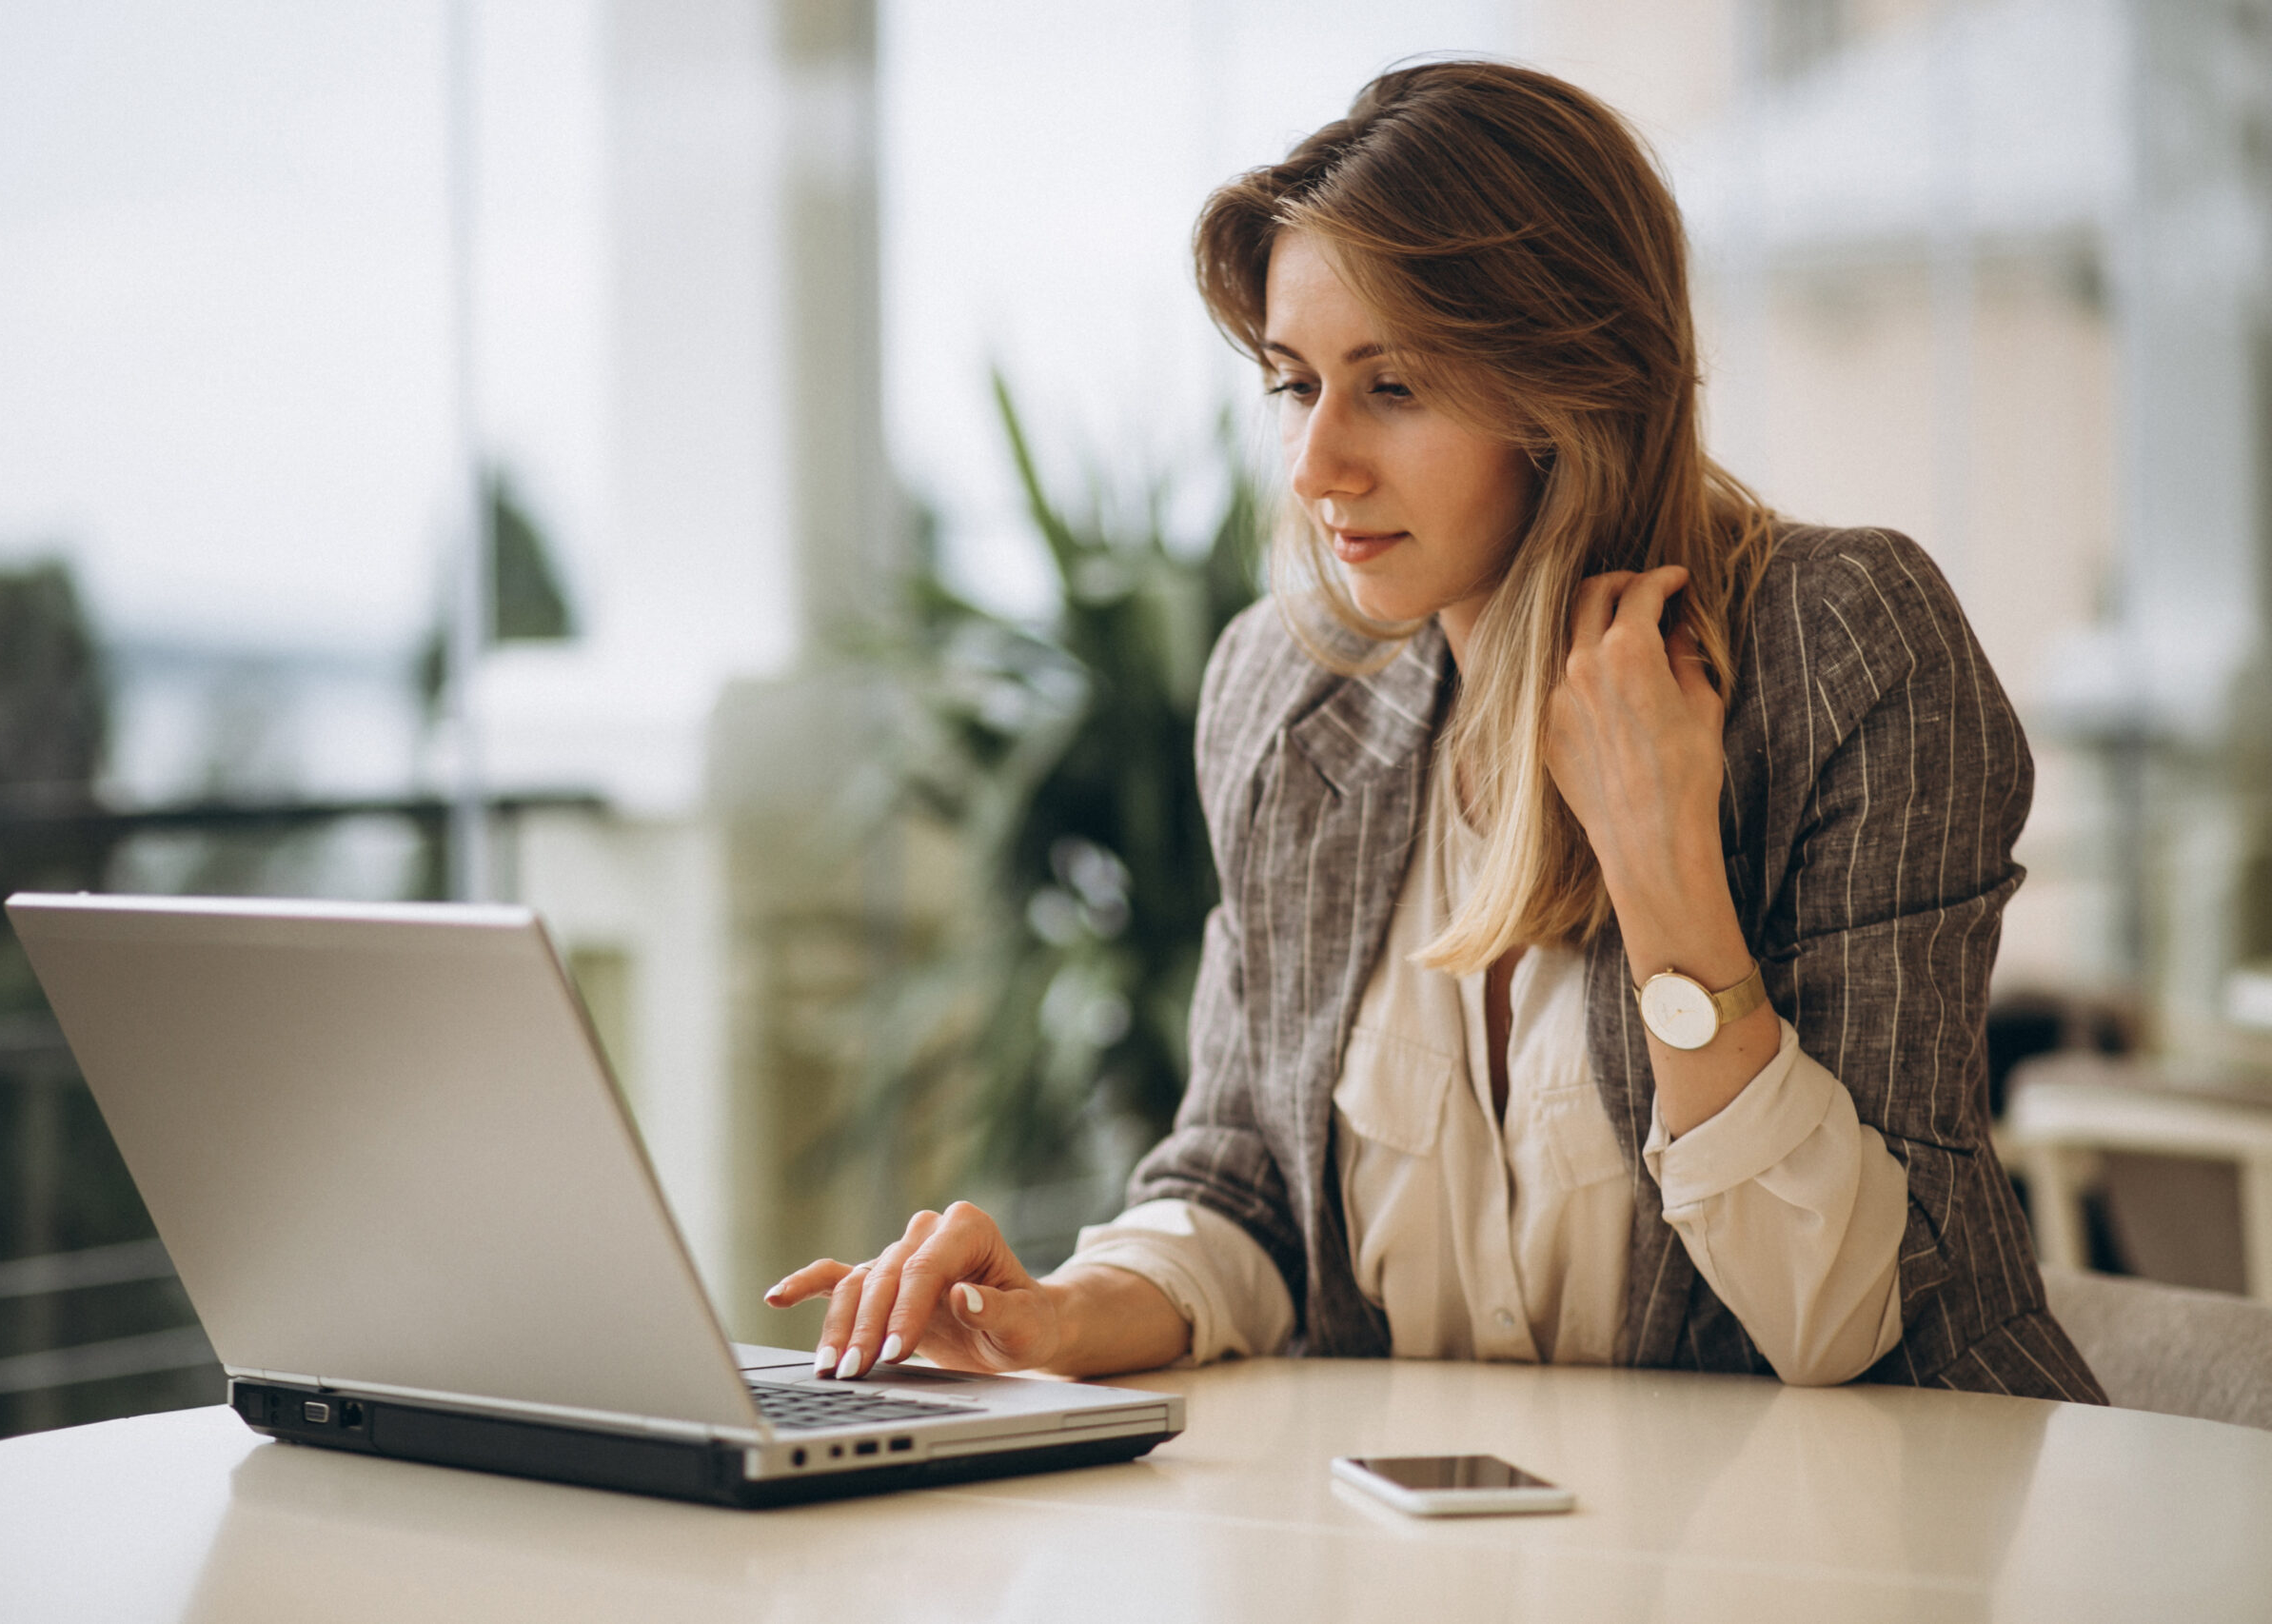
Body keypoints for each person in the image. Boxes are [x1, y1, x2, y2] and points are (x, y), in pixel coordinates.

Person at [767, 59, 2103, 1399]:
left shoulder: (1842, 647)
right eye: (1295, 384)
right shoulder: (1288, 696)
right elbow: (1246, 1181)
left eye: (1392, 386)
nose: (1315, 465)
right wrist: (1058, 1312)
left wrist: (1662, 865)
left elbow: (1848, 1315)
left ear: (1570, 390)